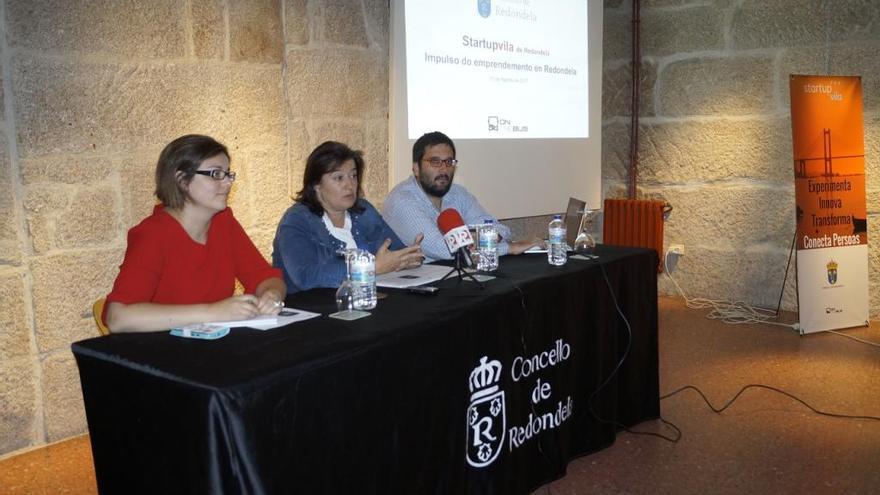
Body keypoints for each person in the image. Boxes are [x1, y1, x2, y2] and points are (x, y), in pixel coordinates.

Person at [104, 135, 287, 333]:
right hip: (165, 352)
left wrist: (272, 296)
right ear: (182, 180)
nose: (227, 183)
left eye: (228, 174)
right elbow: (118, 318)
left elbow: (264, 276)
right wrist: (213, 312)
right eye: (216, 174)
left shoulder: (223, 221)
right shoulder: (152, 235)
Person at [273, 141, 423, 292]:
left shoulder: (363, 211)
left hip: (363, 299)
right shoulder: (297, 220)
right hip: (312, 308)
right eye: (339, 178)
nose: (350, 185)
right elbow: (306, 276)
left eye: (353, 175)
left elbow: (395, 250)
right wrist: (371, 268)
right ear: (316, 184)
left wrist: (408, 257)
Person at [382, 131, 542, 262]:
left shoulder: (457, 193)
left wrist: (475, 238)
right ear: (416, 168)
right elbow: (446, 250)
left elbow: (501, 230)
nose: (444, 169)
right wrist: (508, 248)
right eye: (435, 162)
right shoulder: (402, 201)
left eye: (449, 162)